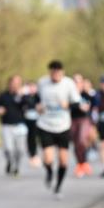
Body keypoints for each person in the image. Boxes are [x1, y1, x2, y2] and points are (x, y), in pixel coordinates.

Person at [36, 60, 80, 199]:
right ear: (50, 72)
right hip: (46, 124)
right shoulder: (42, 82)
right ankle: (49, 172)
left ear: (62, 72)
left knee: (63, 161)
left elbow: (77, 103)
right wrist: (38, 106)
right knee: (48, 159)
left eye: (58, 72)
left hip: (63, 126)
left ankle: (58, 187)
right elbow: (34, 98)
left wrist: (68, 105)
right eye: (52, 71)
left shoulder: (68, 84)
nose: (55, 74)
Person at [0, 74, 28, 177]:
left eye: (18, 83)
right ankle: (10, 161)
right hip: (7, 125)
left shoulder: (23, 96)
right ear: (9, 84)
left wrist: (21, 96)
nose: (15, 85)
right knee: (8, 149)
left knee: (20, 150)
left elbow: (29, 105)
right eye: (13, 83)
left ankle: (16, 166)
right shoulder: (3, 95)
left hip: (20, 126)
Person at [22, 80, 41, 166]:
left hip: (39, 120)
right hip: (28, 120)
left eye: (33, 87)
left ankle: (37, 155)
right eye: (30, 87)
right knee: (30, 138)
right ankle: (32, 155)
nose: (32, 89)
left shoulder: (39, 97)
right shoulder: (25, 97)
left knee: (37, 137)